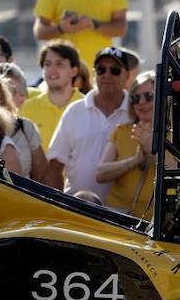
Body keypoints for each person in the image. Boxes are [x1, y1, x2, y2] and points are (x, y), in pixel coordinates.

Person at [47, 46, 132, 198]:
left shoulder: (136, 112)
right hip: (77, 209)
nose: (107, 75)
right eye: (101, 69)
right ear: (94, 74)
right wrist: (61, 205)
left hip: (123, 214)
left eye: (115, 70)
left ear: (127, 76)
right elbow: (55, 164)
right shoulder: (75, 111)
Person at [95, 71, 162, 217]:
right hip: (119, 216)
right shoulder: (122, 131)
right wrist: (135, 160)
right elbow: (100, 174)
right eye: (136, 98)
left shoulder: (175, 133)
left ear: (162, 97)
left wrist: (153, 150)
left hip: (155, 221)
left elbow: (179, 172)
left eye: (148, 96)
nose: (142, 102)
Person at [20, 41, 89, 150]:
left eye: (59, 64)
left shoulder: (89, 108)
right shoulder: (25, 110)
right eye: (47, 64)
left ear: (74, 71)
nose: (52, 70)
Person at [0, 64, 50, 183]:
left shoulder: (26, 128)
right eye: (0, 88)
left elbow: (40, 176)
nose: (3, 95)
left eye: (10, 90)